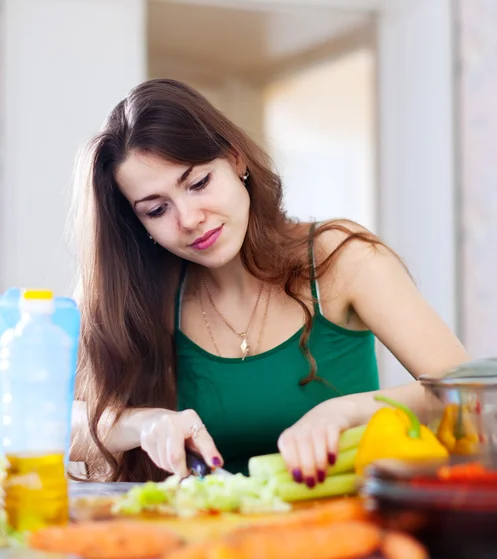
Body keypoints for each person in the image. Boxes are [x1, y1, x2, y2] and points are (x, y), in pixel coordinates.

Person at [70, 78, 469, 484]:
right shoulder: (139, 291)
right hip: (202, 536)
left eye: (199, 183)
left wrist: (347, 410)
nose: (189, 219)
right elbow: (58, 425)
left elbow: (471, 396)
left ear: (236, 160)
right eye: (156, 209)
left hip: (344, 533)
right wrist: (144, 423)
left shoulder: (340, 258)